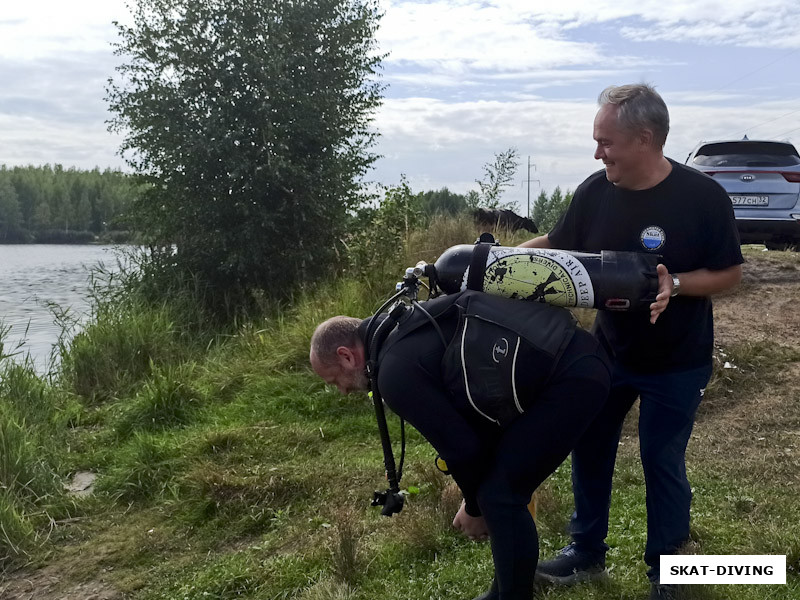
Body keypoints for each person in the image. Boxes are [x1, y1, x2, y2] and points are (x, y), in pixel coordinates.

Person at [519, 83, 743, 599]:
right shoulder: (595, 191)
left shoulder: (702, 197)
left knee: (661, 458)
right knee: (589, 445)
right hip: (607, 353)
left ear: (644, 139)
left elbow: (730, 272)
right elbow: (556, 245)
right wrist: (493, 265)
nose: (598, 153)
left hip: (678, 360)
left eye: (606, 142)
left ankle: (669, 574)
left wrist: (678, 283)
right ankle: (585, 554)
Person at [310, 291, 612, 600]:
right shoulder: (407, 326)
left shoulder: (393, 373)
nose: (343, 392)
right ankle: (505, 591)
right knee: (498, 488)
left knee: (501, 496)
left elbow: (463, 450)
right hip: (579, 357)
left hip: (573, 380)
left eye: (335, 381)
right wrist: (476, 497)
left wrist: (474, 507)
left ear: (347, 356)